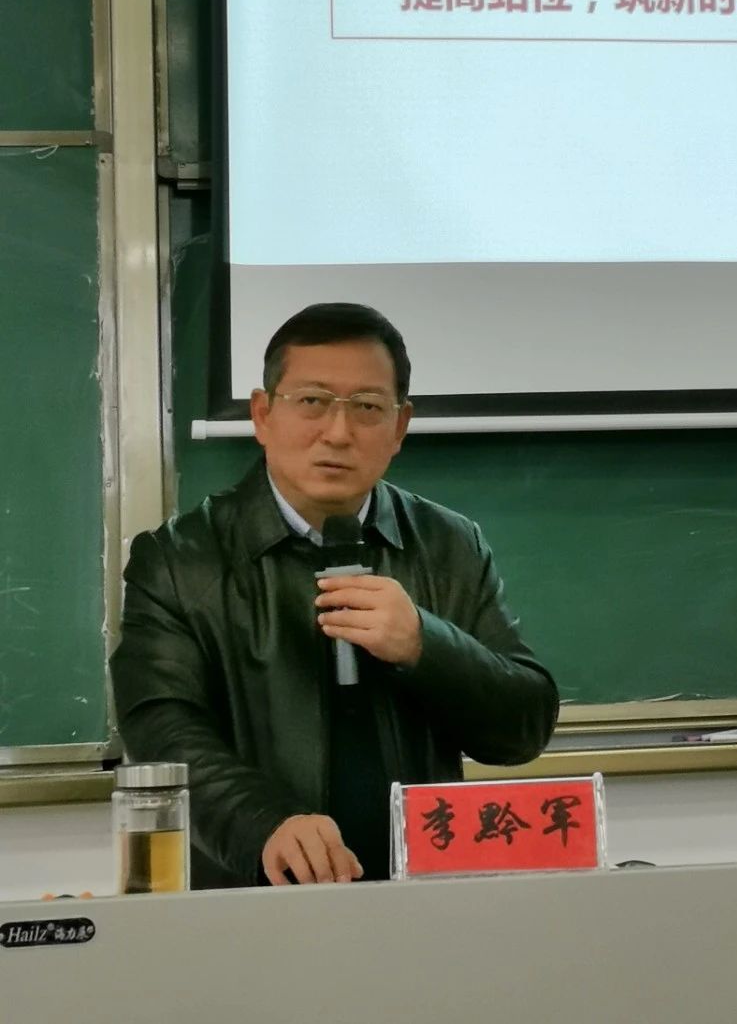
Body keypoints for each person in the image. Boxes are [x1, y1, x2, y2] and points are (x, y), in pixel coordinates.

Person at [110, 303, 558, 889]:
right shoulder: (178, 560)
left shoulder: (449, 545)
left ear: (399, 426)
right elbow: (162, 733)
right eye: (312, 401)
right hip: (253, 898)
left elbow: (522, 726)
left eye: (367, 407)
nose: (338, 433)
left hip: (423, 897)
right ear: (263, 414)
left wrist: (426, 644)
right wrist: (265, 824)